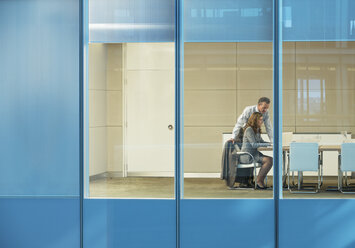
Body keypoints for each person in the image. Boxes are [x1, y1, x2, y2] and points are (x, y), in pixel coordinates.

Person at [239, 112, 273, 189]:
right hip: (247, 156)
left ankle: (259, 180)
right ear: (255, 120)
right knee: (269, 160)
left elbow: (261, 141)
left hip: (254, 154)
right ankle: (259, 181)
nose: (262, 122)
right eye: (260, 120)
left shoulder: (256, 130)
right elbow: (254, 144)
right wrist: (268, 145)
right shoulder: (249, 130)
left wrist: (271, 143)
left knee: (270, 160)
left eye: (262, 120)